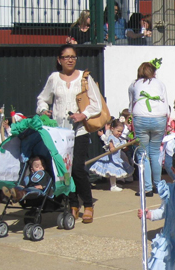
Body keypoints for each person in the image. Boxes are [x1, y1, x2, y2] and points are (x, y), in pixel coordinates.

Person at [37, 44, 103, 223]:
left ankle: (88, 204)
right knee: (64, 170)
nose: (70, 60)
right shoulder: (54, 78)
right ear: (59, 60)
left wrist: (84, 114)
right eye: (66, 57)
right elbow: (43, 99)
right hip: (58, 132)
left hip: (79, 131)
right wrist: (43, 110)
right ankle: (73, 205)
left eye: (73, 56)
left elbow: (96, 104)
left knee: (77, 168)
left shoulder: (84, 77)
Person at [129, 60, 170, 197]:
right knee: (155, 153)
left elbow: (131, 105)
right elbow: (166, 102)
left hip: (140, 118)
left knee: (143, 154)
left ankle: (147, 188)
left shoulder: (134, 85)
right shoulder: (160, 84)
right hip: (159, 117)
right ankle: (158, 185)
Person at [90, 118, 133, 191]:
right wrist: (112, 147)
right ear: (112, 129)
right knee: (112, 173)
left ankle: (114, 184)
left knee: (115, 172)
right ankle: (113, 186)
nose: (119, 133)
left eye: (121, 132)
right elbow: (111, 144)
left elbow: (120, 145)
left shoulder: (118, 139)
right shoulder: (111, 137)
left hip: (116, 158)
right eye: (118, 131)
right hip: (112, 159)